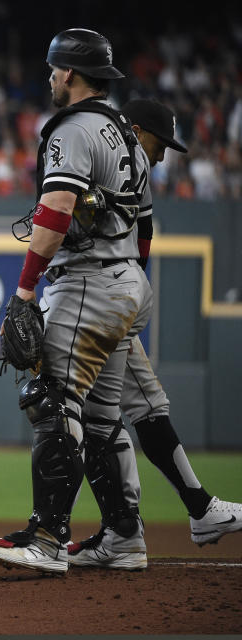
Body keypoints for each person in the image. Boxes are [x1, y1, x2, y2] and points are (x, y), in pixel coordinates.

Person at [0, 28, 154, 575]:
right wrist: (126, 287)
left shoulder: (75, 129)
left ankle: (49, 537)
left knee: (52, 400)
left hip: (86, 278)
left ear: (71, 75)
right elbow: (145, 227)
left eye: (55, 70)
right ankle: (124, 535)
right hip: (127, 278)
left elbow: (55, 212)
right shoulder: (126, 133)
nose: (51, 78)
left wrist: (26, 289)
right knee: (102, 419)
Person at [67, 99, 242, 569]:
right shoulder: (116, 157)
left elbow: (135, 235)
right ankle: (188, 511)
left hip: (102, 293)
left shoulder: (127, 166)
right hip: (105, 292)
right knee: (142, 406)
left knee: (95, 413)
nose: (163, 156)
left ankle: (123, 529)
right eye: (159, 143)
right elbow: (135, 237)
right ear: (137, 129)